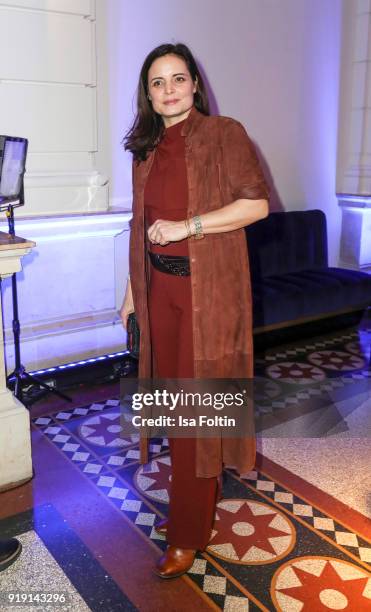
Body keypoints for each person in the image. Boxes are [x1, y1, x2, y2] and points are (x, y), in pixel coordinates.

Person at [120, 43, 269, 579]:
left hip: (208, 295)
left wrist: (190, 227)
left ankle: (187, 533)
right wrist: (132, 292)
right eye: (157, 82)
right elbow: (141, 224)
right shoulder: (146, 148)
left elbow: (256, 205)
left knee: (198, 413)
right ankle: (193, 513)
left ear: (195, 84)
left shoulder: (225, 133)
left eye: (177, 78)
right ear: (148, 93)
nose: (168, 90)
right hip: (160, 293)